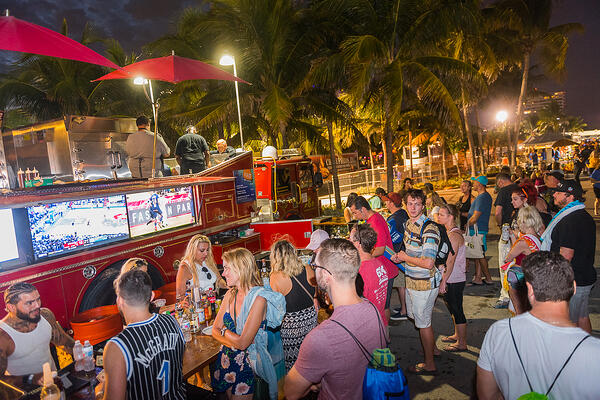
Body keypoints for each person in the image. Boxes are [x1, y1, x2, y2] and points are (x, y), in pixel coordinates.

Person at [477, 252, 600, 400]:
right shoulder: (594, 352)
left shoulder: (499, 333)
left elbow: (486, 394)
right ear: (574, 288)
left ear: (530, 290)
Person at [284, 239, 383, 400]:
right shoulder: (372, 309)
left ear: (325, 274)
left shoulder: (320, 338)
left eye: (315, 266)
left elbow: (291, 392)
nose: (313, 270)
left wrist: (318, 382)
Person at [96, 270, 186, 400]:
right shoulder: (172, 321)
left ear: (119, 301)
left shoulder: (116, 346)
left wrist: (100, 393)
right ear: (151, 297)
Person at [211, 248, 285, 400]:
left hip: (248, 364)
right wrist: (233, 340)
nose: (223, 273)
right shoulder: (230, 295)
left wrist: (224, 332)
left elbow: (244, 343)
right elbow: (214, 330)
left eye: (226, 268)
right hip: (226, 360)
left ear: (240, 268)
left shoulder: (259, 299)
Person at [391, 189, 441, 374]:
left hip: (424, 283)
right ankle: (433, 349)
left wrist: (404, 256)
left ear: (424, 205)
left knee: (423, 322)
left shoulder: (429, 228)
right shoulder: (409, 224)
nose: (413, 207)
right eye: (410, 203)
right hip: (413, 280)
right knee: (419, 318)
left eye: (417, 204)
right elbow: (412, 252)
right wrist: (401, 257)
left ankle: (429, 363)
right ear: (405, 204)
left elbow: (428, 263)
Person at [541, 179, 596, 333]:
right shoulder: (580, 215)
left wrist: (554, 281)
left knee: (569, 323)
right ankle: (586, 350)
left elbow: (566, 256)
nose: (554, 195)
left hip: (572, 281)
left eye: (558, 193)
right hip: (582, 277)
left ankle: (575, 353)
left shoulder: (570, 220)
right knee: (582, 317)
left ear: (570, 196)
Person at [0, 283, 74, 387]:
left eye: (38, 299)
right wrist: (30, 379)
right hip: (26, 393)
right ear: (11, 307)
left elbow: (65, 343)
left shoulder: (45, 315)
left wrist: (85, 354)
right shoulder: (3, 336)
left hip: (55, 383)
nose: (37, 305)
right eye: (29, 303)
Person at [269, 240, 317, 372]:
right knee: (312, 358)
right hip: (311, 320)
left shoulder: (276, 277)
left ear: (275, 257)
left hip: (292, 328)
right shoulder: (307, 269)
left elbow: (275, 309)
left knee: (295, 365)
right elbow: (315, 291)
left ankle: (297, 389)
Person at [350, 196, 399, 321]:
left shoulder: (375, 221)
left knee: (384, 306)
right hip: (379, 268)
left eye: (355, 213)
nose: (355, 216)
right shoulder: (371, 220)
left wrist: (361, 256)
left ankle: (385, 334)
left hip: (384, 269)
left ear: (363, 209)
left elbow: (380, 249)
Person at [501, 205, 543, 315]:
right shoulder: (539, 238)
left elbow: (508, 259)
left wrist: (511, 238)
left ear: (523, 222)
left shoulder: (523, 242)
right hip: (534, 276)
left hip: (518, 277)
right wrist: (513, 236)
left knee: (520, 312)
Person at [437, 204, 467, 352]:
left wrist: (443, 281)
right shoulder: (450, 233)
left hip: (454, 279)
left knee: (457, 309)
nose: (438, 217)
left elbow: (450, 261)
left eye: (442, 214)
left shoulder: (454, 236)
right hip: (452, 277)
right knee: (452, 308)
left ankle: (462, 343)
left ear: (451, 217)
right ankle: (457, 335)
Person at [350, 224, 390, 324]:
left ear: (358, 244)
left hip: (367, 325)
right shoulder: (379, 265)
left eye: (351, 241)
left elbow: (355, 306)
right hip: (380, 321)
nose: (349, 243)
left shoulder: (359, 272)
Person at [493, 173, 519, 308]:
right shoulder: (519, 188)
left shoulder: (503, 191)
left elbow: (498, 212)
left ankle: (505, 296)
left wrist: (499, 224)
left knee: (505, 262)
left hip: (507, 231)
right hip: (519, 233)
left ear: (501, 182)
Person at [382, 192, 408, 321]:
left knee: (401, 284)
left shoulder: (393, 219)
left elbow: (391, 239)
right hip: (405, 251)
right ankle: (406, 307)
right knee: (403, 284)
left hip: (398, 254)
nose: (385, 203)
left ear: (392, 203)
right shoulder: (403, 213)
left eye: (387, 201)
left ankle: (404, 311)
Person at [176, 234, 226, 299]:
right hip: (197, 305)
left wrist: (227, 286)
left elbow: (219, 279)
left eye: (207, 250)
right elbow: (180, 296)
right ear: (192, 250)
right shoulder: (185, 267)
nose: (206, 254)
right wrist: (202, 294)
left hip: (213, 301)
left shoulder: (208, 260)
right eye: (202, 250)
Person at [466, 176, 493, 285]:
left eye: (475, 182)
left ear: (480, 184)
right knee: (477, 253)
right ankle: (478, 277)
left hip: (478, 229)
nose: (473, 184)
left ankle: (488, 278)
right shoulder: (482, 197)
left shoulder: (482, 198)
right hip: (478, 229)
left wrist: (467, 225)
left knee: (480, 254)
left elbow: (475, 217)